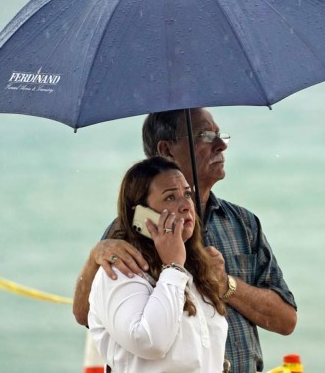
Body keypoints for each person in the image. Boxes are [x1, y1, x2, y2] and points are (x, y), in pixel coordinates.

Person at [74, 108, 297, 372]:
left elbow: (286, 320)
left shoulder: (243, 223)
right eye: (206, 135)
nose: (221, 144)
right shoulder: (127, 234)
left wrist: (226, 285)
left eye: (186, 195)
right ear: (167, 149)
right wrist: (93, 259)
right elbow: (86, 314)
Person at [88, 156, 228, 372]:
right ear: (141, 214)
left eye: (187, 194)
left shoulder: (194, 270)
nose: (185, 205)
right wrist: (173, 266)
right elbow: (149, 342)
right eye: (170, 197)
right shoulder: (122, 270)